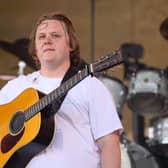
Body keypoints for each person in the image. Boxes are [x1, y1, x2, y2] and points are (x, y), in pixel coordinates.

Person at [0, 12, 123, 168]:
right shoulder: (15, 87)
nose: (47, 40)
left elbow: (109, 143)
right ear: (35, 48)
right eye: (41, 37)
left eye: (55, 35)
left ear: (70, 45)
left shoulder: (90, 86)